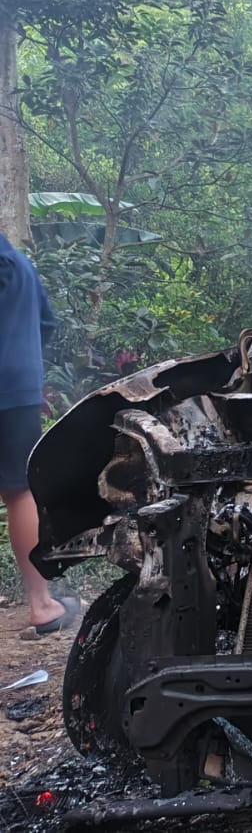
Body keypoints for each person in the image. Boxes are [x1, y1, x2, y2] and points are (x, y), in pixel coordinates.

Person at [0, 233, 77, 639]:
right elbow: (46, 323)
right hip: (20, 391)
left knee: (18, 493)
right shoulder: (22, 265)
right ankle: (41, 604)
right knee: (19, 492)